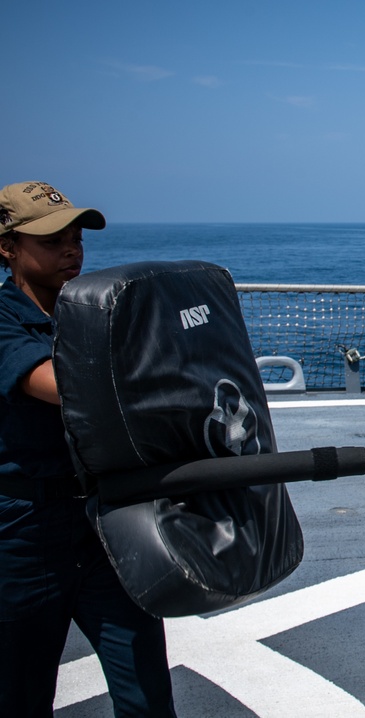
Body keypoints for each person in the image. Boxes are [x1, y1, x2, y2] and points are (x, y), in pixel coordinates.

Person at [0, 182, 176, 716]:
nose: (72, 250)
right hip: (23, 533)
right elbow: (63, 387)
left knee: (147, 696)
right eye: (52, 241)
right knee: (20, 699)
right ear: (7, 248)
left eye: (76, 238)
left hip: (104, 521)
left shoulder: (94, 315)